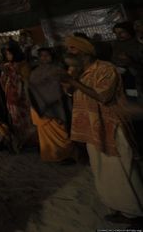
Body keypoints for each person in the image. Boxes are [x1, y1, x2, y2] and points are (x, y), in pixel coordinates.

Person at [62, 36, 143, 224]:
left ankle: (135, 212)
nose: (69, 52)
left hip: (110, 127)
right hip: (91, 128)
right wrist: (69, 85)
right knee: (102, 170)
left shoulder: (106, 68)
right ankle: (118, 207)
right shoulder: (79, 71)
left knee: (120, 169)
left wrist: (74, 82)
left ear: (85, 51)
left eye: (73, 48)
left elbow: (103, 96)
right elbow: (71, 93)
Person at [28, 48, 74, 163]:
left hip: (57, 107)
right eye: (42, 56)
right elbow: (31, 90)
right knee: (46, 133)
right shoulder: (34, 73)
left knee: (62, 132)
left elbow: (64, 87)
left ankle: (65, 155)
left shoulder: (59, 70)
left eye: (47, 55)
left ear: (52, 56)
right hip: (42, 109)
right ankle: (51, 155)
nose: (44, 58)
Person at [0, 45, 35, 149]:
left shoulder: (23, 65)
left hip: (22, 97)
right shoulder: (6, 66)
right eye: (6, 54)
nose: (7, 56)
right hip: (11, 98)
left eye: (9, 54)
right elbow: (3, 80)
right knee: (15, 120)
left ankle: (32, 141)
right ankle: (22, 141)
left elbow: (26, 81)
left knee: (26, 119)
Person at [112, 22, 143, 100]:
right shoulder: (117, 44)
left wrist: (130, 61)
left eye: (122, 32)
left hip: (138, 77)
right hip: (123, 79)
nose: (118, 35)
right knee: (131, 98)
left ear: (129, 31)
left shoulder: (138, 43)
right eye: (116, 33)